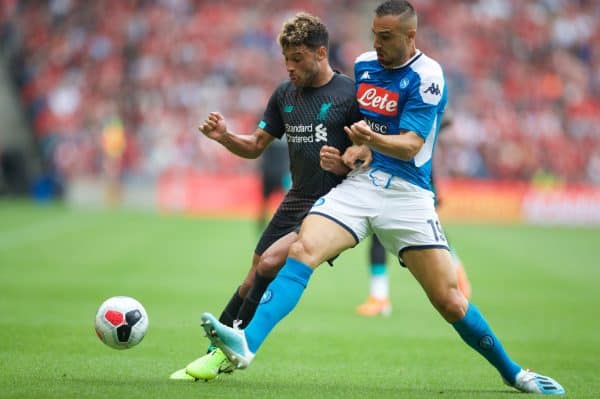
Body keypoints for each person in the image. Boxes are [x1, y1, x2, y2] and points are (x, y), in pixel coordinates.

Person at [199, 1, 565, 395]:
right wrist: (349, 157)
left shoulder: (428, 75)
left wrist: (369, 141)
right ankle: (246, 343)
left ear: (411, 36)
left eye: (386, 37)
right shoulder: (364, 65)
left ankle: (514, 373)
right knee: (302, 249)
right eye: (374, 34)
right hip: (361, 185)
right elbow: (353, 127)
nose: (377, 43)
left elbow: (409, 145)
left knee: (451, 302)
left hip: (408, 197)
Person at [169, 12, 364, 381]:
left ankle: (227, 355)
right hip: (297, 199)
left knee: (271, 262)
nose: (289, 67)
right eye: (285, 59)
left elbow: (368, 152)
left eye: (297, 59)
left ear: (321, 53)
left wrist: (345, 163)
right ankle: (215, 353)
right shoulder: (284, 94)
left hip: (334, 206)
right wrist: (225, 136)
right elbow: (256, 145)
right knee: (250, 280)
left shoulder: (349, 94)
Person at [356, 113, 472, 317]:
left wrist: (410, 122)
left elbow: (444, 116)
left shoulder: (419, 87)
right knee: (378, 231)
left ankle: (457, 276)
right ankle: (379, 297)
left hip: (418, 178)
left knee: (432, 232)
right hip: (388, 173)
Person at [257, 139, 290, 232]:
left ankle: (261, 224)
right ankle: (287, 223)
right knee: (287, 201)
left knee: (264, 202)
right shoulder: (285, 141)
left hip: (269, 173)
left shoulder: (267, 137)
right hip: (280, 174)